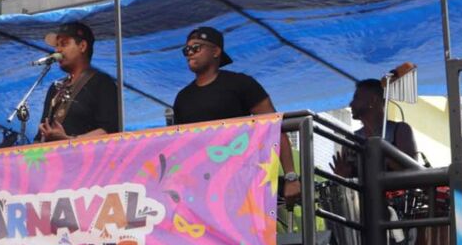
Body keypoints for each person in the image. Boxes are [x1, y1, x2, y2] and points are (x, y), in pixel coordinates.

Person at [173, 26, 301, 204]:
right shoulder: (182, 97)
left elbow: (275, 127)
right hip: (198, 188)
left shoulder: (241, 83)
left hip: (240, 181)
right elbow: (177, 146)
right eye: (186, 50)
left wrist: (290, 176)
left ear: (216, 51)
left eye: (196, 48)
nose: (190, 54)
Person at [36, 22, 119, 142]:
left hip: (86, 154)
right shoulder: (55, 88)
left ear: (82, 46)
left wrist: (69, 140)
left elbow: (110, 130)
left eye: (64, 44)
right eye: (57, 46)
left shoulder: (102, 83)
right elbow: (41, 134)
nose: (57, 50)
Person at [330, 78, 417, 177]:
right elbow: (347, 181)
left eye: (356, 98)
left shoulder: (400, 130)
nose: (351, 104)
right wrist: (344, 174)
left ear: (373, 100)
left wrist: (379, 156)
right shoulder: (351, 140)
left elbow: (413, 171)